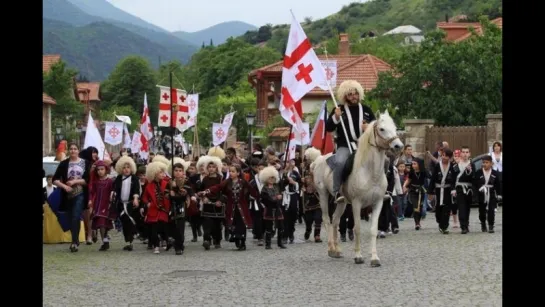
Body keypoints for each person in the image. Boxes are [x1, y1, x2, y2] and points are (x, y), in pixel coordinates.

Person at [325, 80, 375, 203]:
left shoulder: (366, 109)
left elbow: (376, 127)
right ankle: (337, 192)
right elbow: (328, 128)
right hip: (345, 145)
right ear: (345, 96)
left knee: (384, 161)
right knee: (340, 162)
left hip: (364, 146)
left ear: (359, 94)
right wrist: (336, 117)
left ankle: (382, 190)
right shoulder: (339, 109)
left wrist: (368, 127)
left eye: (355, 93)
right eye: (350, 94)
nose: (353, 96)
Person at [52, 143, 90, 252]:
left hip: (80, 193)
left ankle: (74, 242)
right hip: (67, 195)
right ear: (69, 151)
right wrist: (64, 186)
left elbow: (87, 180)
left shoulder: (85, 163)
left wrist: (75, 181)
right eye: (71, 149)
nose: (73, 151)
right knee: (70, 218)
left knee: (76, 216)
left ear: (78, 151)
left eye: (75, 149)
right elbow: (55, 179)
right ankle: (75, 239)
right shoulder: (64, 163)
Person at [428, 149, 456, 234]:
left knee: (446, 209)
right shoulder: (437, 166)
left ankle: (444, 227)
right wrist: (430, 191)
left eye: (446, 156)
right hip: (438, 190)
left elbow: (454, 179)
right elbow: (433, 179)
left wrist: (453, 189)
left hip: (448, 190)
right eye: (443, 155)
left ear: (450, 157)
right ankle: (440, 221)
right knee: (438, 210)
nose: (444, 157)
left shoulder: (452, 166)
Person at [474, 155, 502, 233]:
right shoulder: (478, 172)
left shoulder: (495, 173)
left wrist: (499, 194)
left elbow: (497, 184)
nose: (485, 164)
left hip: (491, 194)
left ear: (491, 163)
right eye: (483, 162)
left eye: (487, 162)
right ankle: (483, 223)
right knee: (482, 211)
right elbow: (475, 183)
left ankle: (491, 225)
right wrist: (479, 189)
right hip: (481, 194)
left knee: (491, 210)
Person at [453, 146, 475, 234]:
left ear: (469, 154)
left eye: (467, 152)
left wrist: (470, 172)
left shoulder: (471, 164)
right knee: (461, 207)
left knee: (467, 208)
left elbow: (474, 177)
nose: (465, 154)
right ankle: (463, 226)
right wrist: (453, 189)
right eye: (463, 152)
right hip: (459, 188)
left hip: (469, 189)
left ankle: (466, 223)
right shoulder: (456, 165)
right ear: (461, 154)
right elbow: (453, 178)